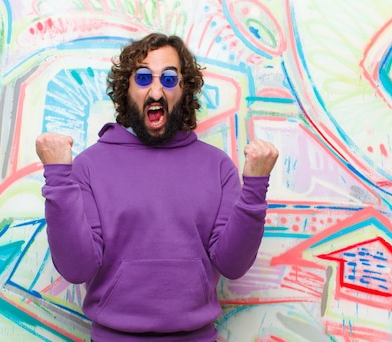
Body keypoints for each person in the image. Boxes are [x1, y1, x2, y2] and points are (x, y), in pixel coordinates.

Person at [35, 33, 279, 341]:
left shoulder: (217, 167)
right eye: (143, 77)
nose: (156, 89)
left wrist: (255, 187)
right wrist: (57, 177)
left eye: (168, 78)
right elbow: (75, 268)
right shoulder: (90, 165)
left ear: (184, 89)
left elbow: (233, 264)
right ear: (127, 90)